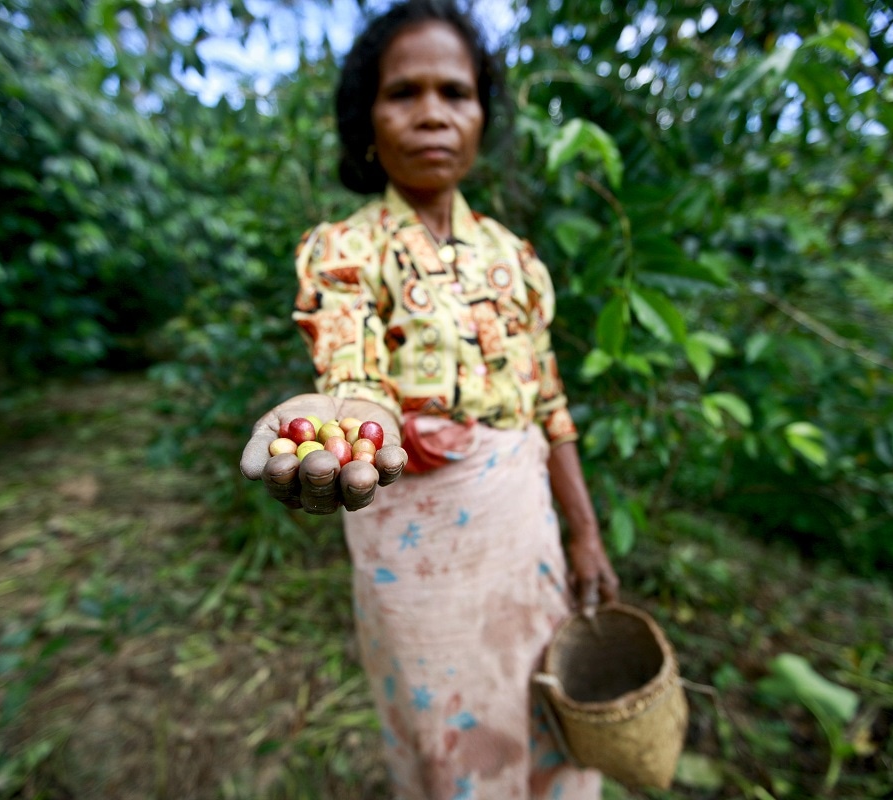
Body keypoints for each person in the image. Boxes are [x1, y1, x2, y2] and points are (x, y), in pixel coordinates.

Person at [240, 1, 619, 796]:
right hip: (418, 554)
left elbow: (547, 404)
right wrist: (358, 428)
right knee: (452, 739)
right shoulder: (347, 249)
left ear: (482, 117)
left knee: (549, 710)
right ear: (367, 124)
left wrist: (583, 533)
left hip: (525, 534)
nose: (432, 115)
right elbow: (354, 371)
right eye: (403, 93)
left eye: (455, 92)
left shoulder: (514, 259)